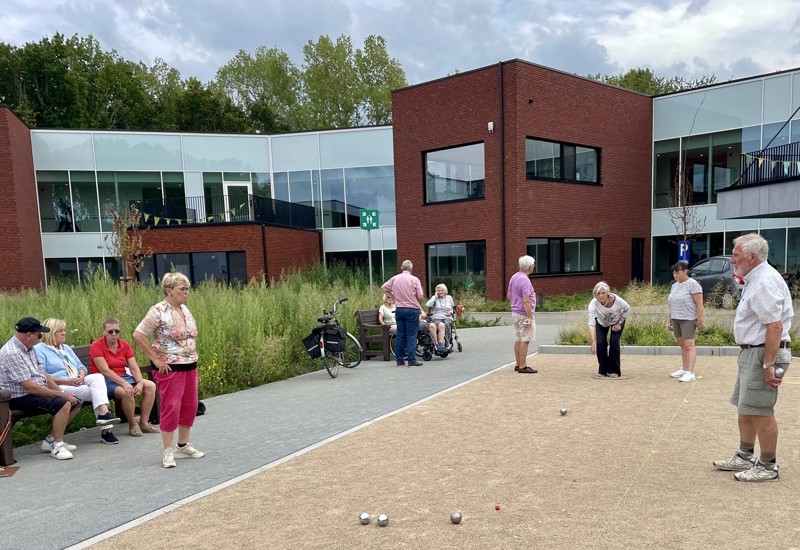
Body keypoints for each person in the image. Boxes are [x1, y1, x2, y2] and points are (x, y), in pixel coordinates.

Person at [713, 233, 793, 482]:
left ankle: (768, 465)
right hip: (753, 352)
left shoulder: (764, 281)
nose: (732, 259)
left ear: (752, 257)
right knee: (746, 408)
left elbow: (775, 326)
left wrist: (768, 364)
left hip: (763, 352)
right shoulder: (755, 279)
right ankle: (745, 455)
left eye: (735, 254)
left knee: (760, 409)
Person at [133, 272, 204, 469]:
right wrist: (155, 358)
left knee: (190, 405)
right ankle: (167, 450)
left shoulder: (184, 309)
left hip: (190, 364)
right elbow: (138, 334)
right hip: (170, 367)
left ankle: (183, 444)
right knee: (171, 406)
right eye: (182, 289)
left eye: (187, 289)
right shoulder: (158, 311)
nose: (186, 293)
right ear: (168, 291)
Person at [0, 318, 79, 459]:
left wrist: (62, 392)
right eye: (39, 335)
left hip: (33, 391)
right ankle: (58, 447)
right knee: (63, 403)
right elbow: (30, 388)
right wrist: (62, 396)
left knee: (75, 401)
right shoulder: (12, 353)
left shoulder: (29, 349)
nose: (40, 338)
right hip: (17, 397)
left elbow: (44, 375)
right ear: (29, 335)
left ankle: (50, 440)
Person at [35, 318, 121, 445]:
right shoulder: (39, 350)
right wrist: (67, 381)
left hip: (77, 381)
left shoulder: (66, 348)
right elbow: (42, 376)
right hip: (59, 386)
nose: (64, 333)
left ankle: (103, 414)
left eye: (64, 330)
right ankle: (106, 431)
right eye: (60, 331)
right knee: (96, 392)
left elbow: (80, 366)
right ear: (51, 333)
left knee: (97, 377)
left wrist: (81, 374)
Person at [90, 318, 159, 438]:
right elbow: (105, 371)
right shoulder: (96, 346)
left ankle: (144, 422)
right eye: (110, 331)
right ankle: (133, 425)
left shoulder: (124, 345)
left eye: (117, 331)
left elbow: (133, 366)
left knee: (150, 386)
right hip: (104, 379)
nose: (114, 334)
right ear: (104, 332)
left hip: (123, 375)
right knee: (126, 392)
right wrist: (125, 384)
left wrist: (139, 382)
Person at [381, 260, 425, 367]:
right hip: (412, 309)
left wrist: (393, 298)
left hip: (399, 309)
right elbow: (420, 297)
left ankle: (399, 360)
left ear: (402, 268)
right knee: (411, 335)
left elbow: (383, 288)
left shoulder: (395, 278)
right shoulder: (415, 279)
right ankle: (411, 360)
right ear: (411, 268)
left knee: (400, 335)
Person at [667, 262, 704, 383]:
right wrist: (670, 319)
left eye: (677, 272)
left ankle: (690, 372)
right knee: (682, 344)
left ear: (685, 271)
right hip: (676, 317)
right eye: (673, 273)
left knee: (689, 345)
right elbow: (671, 303)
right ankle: (684, 368)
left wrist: (700, 320)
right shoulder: (675, 286)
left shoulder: (693, 284)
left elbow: (699, 303)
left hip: (688, 318)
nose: (675, 275)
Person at [588, 281, 630, 377]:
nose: (601, 296)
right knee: (601, 343)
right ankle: (603, 369)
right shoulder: (593, 304)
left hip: (617, 321)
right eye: (598, 294)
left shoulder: (617, 300)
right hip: (601, 322)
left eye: (603, 293)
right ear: (595, 295)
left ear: (607, 293)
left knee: (614, 341)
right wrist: (593, 341)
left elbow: (627, 308)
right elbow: (591, 323)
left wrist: (620, 323)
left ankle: (614, 370)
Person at [508, 255, 537, 374]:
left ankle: (518, 363)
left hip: (515, 312)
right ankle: (523, 366)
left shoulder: (514, 277)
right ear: (530, 267)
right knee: (525, 339)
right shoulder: (525, 280)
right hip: (523, 313)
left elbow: (509, 296)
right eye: (533, 265)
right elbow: (526, 300)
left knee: (518, 338)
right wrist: (529, 316)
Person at [426, 283, 455, 350]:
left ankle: (447, 342)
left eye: (442, 290)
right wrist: (435, 297)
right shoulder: (435, 298)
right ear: (436, 292)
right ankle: (437, 343)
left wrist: (450, 312)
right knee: (437, 325)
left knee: (447, 324)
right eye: (439, 290)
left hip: (447, 316)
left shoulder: (449, 298)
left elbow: (452, 308)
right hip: (437, 316)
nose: (440, 292)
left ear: (445, 291)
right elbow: (428, 305)